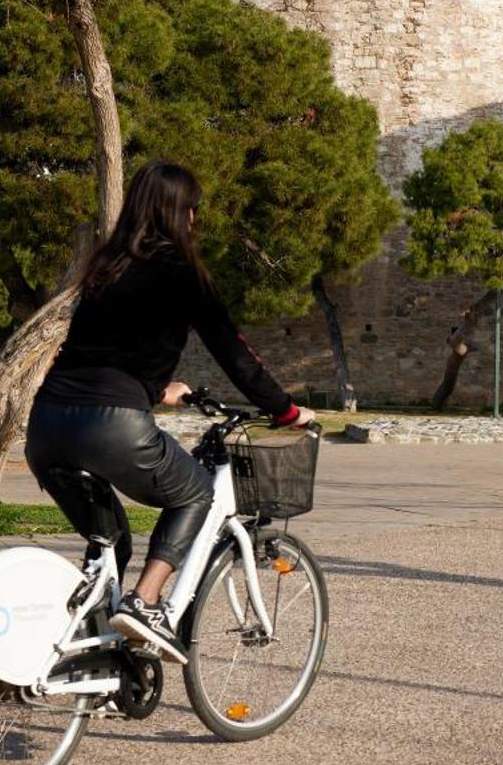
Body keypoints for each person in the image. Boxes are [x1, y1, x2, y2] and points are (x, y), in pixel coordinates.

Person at [25, 160, 315, 663]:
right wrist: (286, 411)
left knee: (109, 544)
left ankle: (93, 657)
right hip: (110, 423)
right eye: (193, 210)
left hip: (47, 424)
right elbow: (238, 357)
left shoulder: (104, 267)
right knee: (196, 494)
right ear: (182, 215)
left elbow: (101, 348)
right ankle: (146, 601)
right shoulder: (182, 274)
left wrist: (158, 385)